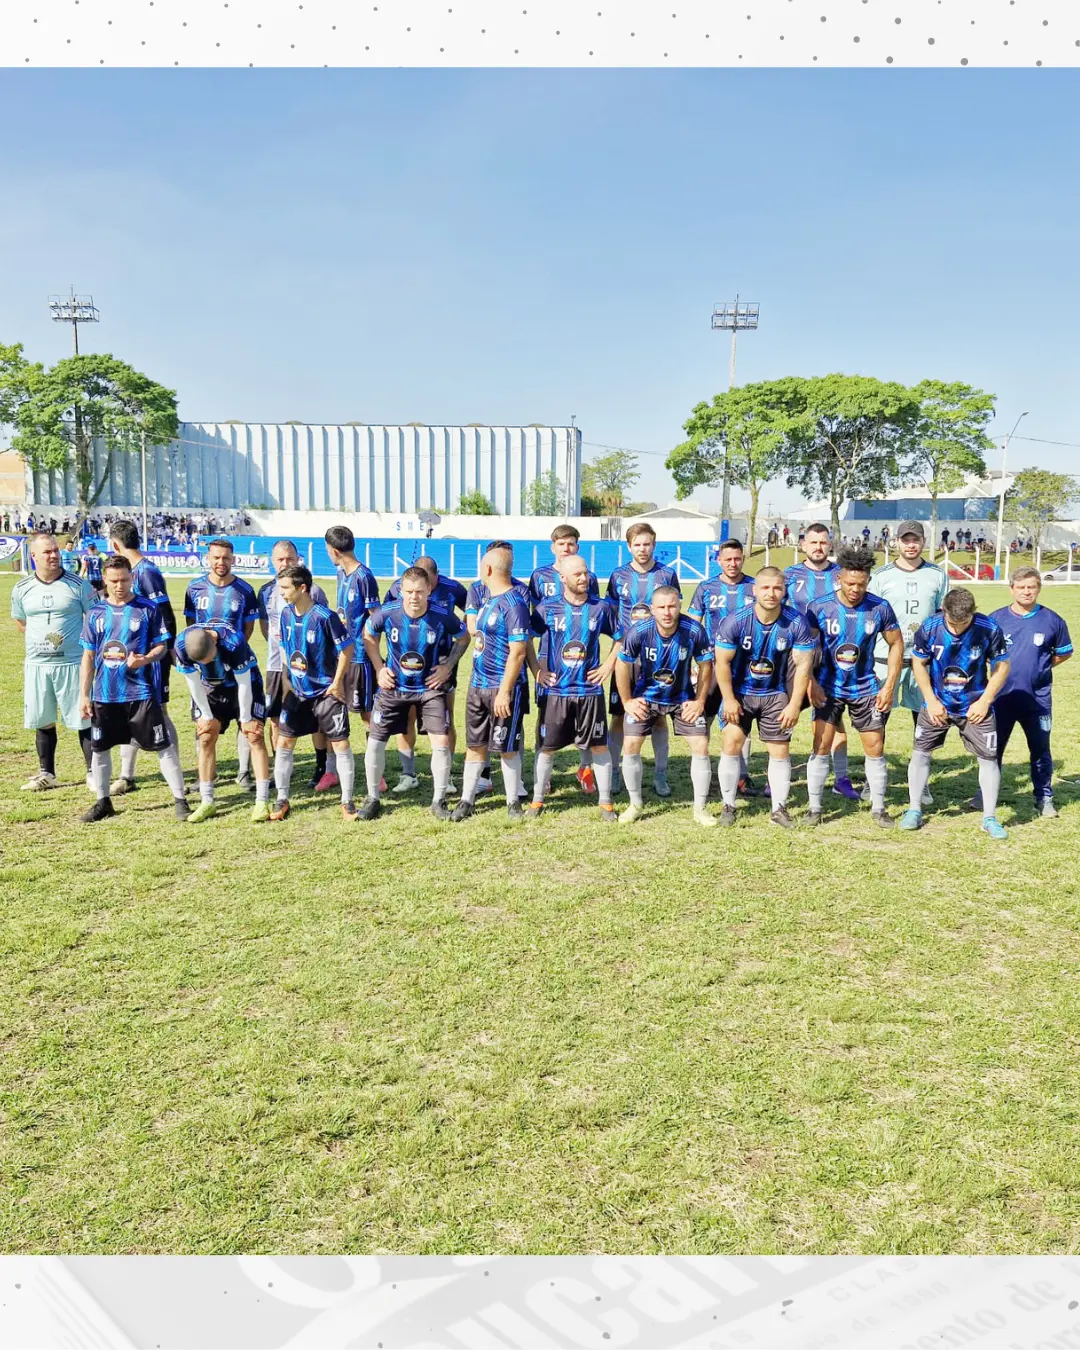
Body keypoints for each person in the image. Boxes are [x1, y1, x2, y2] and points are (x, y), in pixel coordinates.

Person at [77, 555, 189, 822]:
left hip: (141, 694)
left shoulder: (147, 609)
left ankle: (180, 800)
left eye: (125, 579)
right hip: (105, 695)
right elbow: (89, 656)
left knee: (164, 746)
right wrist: (84, 694)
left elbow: (162, 646)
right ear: (105, 580)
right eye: (114, 580)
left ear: (132, 578)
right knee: (100, 749)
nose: (119, 585)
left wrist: (146, 658)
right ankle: (103, 802)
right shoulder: (95, 613)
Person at [804, 543, 904, 828]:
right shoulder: (819, 608)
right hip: (828, 687)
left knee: (875, 746)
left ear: (868, 581)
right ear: (839, 579)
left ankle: (879, 808)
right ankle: (814, 807)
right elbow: (805, 650)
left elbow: (897, 644)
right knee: (820, 745)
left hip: (866, 688)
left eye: (861, 584)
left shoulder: (880, 607)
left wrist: (888, 686)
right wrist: (811, 682)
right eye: (850, 583)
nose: (855, 589)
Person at [360, 565, 471, 820]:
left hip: (429, 689)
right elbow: (368, 634)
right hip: (393, 688)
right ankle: (372, 797)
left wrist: (447, 666)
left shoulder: (443, 614)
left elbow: (464, 638)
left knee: (441, 742)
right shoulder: (387, 613)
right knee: (375, 740)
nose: (413, 597)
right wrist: (379, 668)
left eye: (419, 591)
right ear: (401, 591)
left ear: (429, 590)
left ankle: (438, 800)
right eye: (408, 591)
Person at [901, 589, 1011, 839]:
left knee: (988, 758)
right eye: (953, 623)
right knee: (920, 753)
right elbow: (918, 662)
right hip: (937, 703)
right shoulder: (930, 627)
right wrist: (929, 700)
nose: (958, 629)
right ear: (944, 610)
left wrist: (985, 701)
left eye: (964, 623)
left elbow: (1002, 666)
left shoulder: (988, 628)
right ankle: (914, 809)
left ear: (974, 612)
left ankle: (989, 818)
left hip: (975, 705)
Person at [713, 567, 816, 828]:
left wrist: (794, 703)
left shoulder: (796, 622)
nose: (772, 593)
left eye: (777, 588)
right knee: (732, 742)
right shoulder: (735, 620)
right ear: (755, 590)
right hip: (741, 694)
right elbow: (721, 663)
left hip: (775, 694)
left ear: (784, 591)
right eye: (766, 588)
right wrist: (729, 699)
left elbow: (803, 666)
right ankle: (729, 805)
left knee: (780, 750)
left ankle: (778, 810)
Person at [527, 554, 621, 823]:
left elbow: (620, 638)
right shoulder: (547, 608)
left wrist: (607, 667)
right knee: (547, 748)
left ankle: (606, 804)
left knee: (599, 747)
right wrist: (537, 671)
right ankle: (537, 800)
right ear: (563, 578)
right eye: (577, 574)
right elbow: (527, 641)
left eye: (586, 573)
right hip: (557, 693)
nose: (584, 578)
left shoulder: (600, 608)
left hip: (590, 693)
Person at [615, 585, 714, 826]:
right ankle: (635, 804)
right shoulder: (639, 631)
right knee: (630, 743)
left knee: (700, 743)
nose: (667, 612)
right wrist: (627, 701)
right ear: (652, 609)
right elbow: (621, 665)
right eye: (661, 607)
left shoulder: (694, 630)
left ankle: (700, 809)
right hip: (646, 697)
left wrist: (700, 701)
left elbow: (706, 665)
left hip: (682, 699)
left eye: (672, 606)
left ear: (680, 605)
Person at [869, 520, 949, 806]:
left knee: (924, 723)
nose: (910, 545)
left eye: (915, 540)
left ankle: (921, 783)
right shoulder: (881, 576)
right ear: (897, 542)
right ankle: (873, 781)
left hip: (923, 661)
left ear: (923, 542)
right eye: (906, 539)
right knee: (878, 720)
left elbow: (943, 616)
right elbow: (872, 616)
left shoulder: (937, 575)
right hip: (885, 658)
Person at [11, 533, 96, 790]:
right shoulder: (22, 588)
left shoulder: (78, 585)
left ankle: (93, 772)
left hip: (72, 663)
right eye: (47, 552)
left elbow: (94, 619)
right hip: (37, 665)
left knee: (84, 717)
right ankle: (47, 773)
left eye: (56, 551)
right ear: (33, 556)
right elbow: (21, 620)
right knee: (42, 719)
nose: (54, 555)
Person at [452, 545, 532, 822]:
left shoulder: (515, 605)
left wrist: (505, 692)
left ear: (488, 569)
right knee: (474, 745)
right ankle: (466, 800)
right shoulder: (487, 599)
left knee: (506, 747)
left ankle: (513, 802)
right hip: (478, 685)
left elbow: (519, 651)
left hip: (502, 688)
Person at [985, 568, 1073, 818]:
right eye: (1021, 587)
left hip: (1038, 699)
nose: (1026, 591)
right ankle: (986, 795)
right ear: (1011, 588)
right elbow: (983, 654)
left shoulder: (1052, 620)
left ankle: (1043, 797)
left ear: (1038, 588)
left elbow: (1064, 652)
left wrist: (1041, 666)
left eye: (1031, 587)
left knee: (1040, 748)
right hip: (1001, 698)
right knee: (992, 749)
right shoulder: (995, 620)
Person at [270, 564, 355, 821]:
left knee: (340, 744)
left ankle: (348, 802)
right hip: (297, 693)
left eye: (285, 588)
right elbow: (286, 648)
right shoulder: (285, 614)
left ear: (302, 588)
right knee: (284, 742)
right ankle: (282, 799)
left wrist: (337, 682)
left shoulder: (324, 617)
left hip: (325, 693)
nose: (282, 593)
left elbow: (347, 649)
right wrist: (286, 680)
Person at [783, 522, 860, 800]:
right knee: (785, 714)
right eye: (813, 542)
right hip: (794, 656)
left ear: (830, 545)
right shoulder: (789, 575)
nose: (818, 547)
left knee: (833, 718)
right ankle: (778, 776)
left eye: (823, 542)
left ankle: (841, 778)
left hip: (832, 657)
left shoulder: (840, 574)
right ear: (803, 544)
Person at [107, 520, 182, 795]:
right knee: (129, 708)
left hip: (152, 657)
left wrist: (169, 651)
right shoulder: (129, 573)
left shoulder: (146, 572)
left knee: (159, 711)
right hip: (129, 656)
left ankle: (178, 769)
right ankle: (126, 776)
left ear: (115, 544)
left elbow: (165, 615)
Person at [381, 554, 468, 794]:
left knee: (445, 717)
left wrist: (448, 665)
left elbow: (470, 614)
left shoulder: (453, 588)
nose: (419, 593)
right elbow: (386, 618)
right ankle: (408, 774)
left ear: (434, 582)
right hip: (406, 660)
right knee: (407, 715)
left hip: (441, 661)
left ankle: (446, 775)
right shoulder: (397, 588)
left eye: (426, 586)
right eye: (414, 588)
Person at [606, 523, 680, 799]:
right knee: (618, 717)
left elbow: (674, 609)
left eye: (647, 544)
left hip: (659, 658)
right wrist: (617, 647)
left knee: (659, 717)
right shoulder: (618, 575)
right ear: (629, 546)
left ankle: (660, 775)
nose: (642, 549)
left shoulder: (666, 574)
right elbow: (613, 615)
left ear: (654, 544)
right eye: (637, 544)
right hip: (628, 658)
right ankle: (614, 771)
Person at [183, 537, 260, 790]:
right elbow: (191, 629)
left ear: (233, 559)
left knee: (244, 719)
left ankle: (243, 772)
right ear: (208, 558)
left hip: (236, 665)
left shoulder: (245, 591)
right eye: (216, 557)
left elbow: (248, 629)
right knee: (205, 725)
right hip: (207, 669)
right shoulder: (194, 589)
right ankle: (206, 776)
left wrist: (230, 652)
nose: (221, 562)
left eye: (226, 558)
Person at [174, 624, 271, 823]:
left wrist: (246, 719)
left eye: (208, 658)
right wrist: (206, 715)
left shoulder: (234, 642)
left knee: (254, 735)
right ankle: (207, 801)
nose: (206, 663)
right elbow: (192, 680)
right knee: (206, 736)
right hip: (210, 688)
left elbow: (244, 683)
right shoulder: (181, 645)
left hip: (244, 685)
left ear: (215, 643)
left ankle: (262, 801)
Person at [688, 538, 758, 794]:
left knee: (741, 718)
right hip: (713, 665)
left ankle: (742, 775)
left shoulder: (754, 587)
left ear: (743, 559)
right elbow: (694, 625)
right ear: (718, 560)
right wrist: (692, 662)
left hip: (747, 666)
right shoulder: (706, 587)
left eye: (737, 558)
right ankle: (704, 769)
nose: (732, 563)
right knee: (703, 717)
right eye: (727, 559)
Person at [257, 540, 329, 780]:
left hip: (309, 669)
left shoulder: (314, 591)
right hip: (276, 666)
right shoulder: (265, 591)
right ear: (272, 561)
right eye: (280, 559)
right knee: (276, 719)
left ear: (298, 560)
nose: (285, 563)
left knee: (316, 718)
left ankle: (321, 767)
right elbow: (266, 627)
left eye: (290, 559)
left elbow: (324, 628)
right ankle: (281, 770)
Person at [323, 526, 381, 793]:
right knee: (333, 709)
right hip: (341, 655)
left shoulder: (364, 576)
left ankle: (376, 773)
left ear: (334, 550)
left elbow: (375, 617)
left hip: (360, 658)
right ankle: (330, 770)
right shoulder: (340, 573)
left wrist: (374, 658)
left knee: (367, 715)